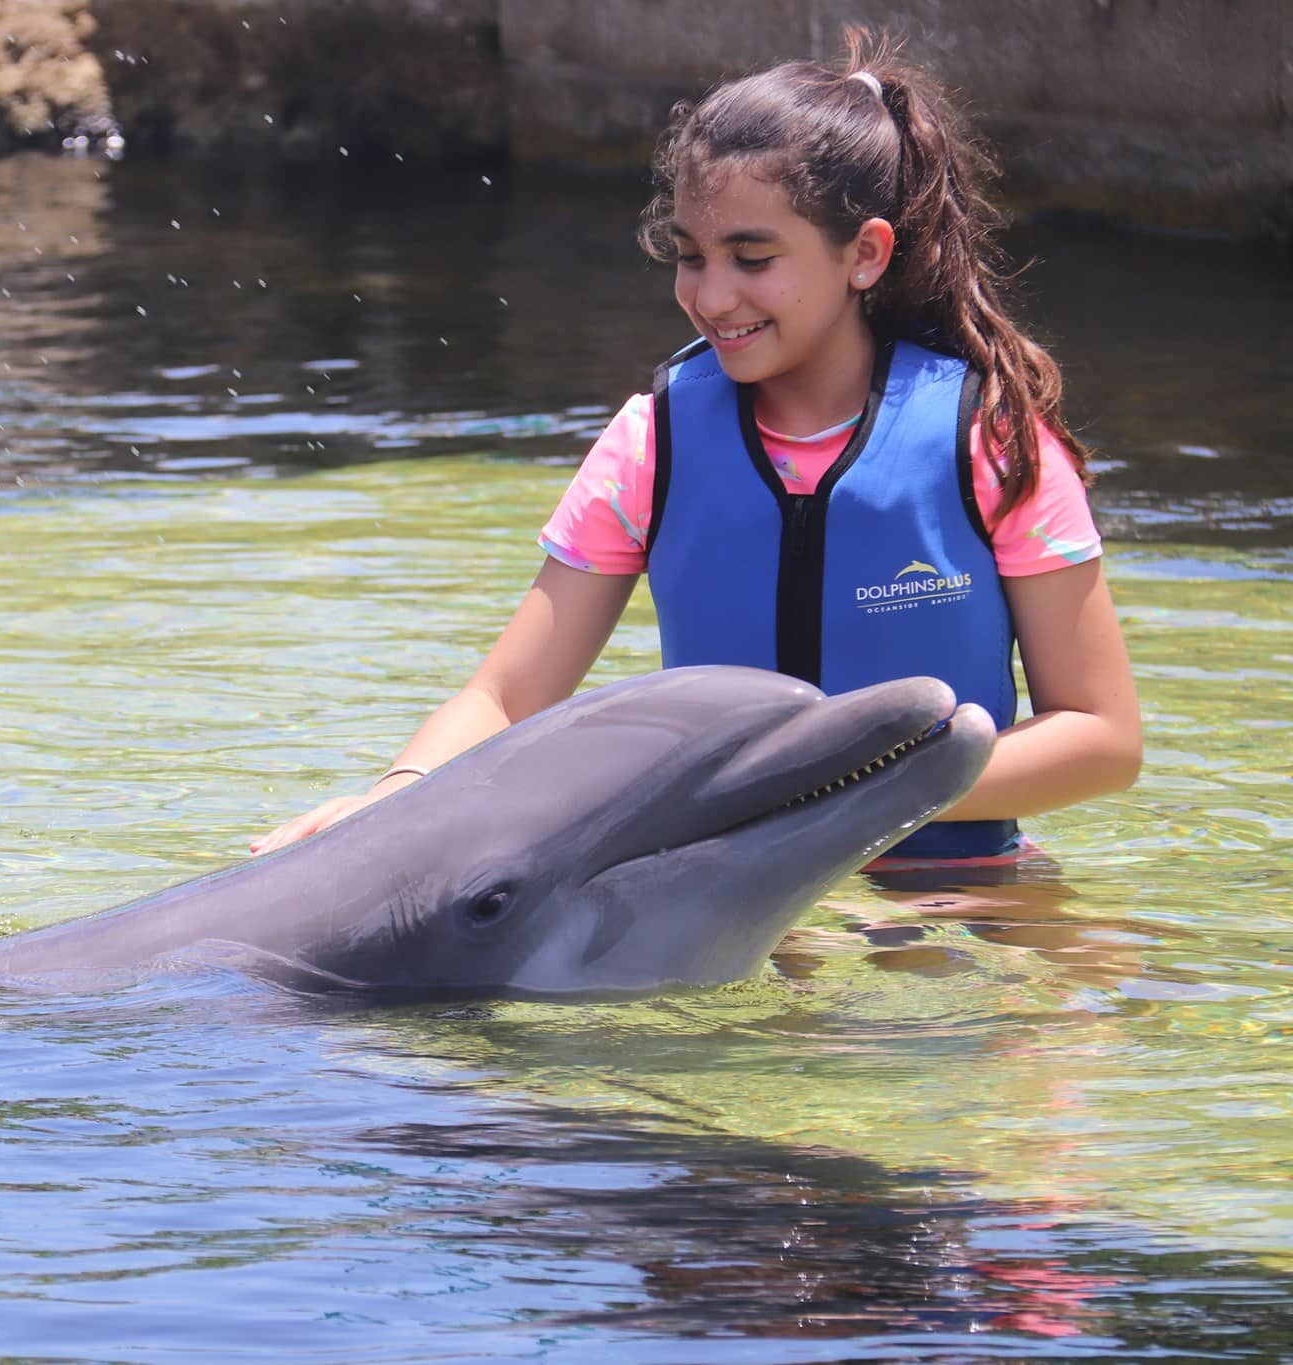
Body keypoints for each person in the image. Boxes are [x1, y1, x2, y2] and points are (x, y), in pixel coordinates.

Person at [253, 32, 1141, 868]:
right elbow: (507, 697)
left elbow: (1102, 736)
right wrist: (395, 797)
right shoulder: (654, 441)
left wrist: (856, 795)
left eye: (753, 258)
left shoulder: (988, 437)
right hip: (727, 913)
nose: (713, 295)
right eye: (690, 255)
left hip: (956, 896)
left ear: (865, 254)